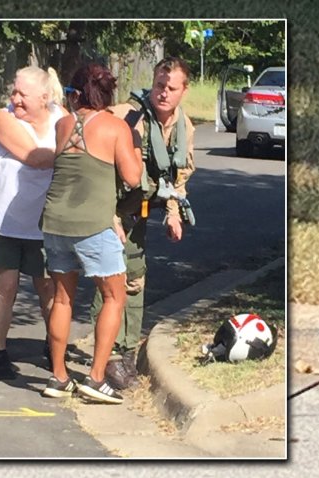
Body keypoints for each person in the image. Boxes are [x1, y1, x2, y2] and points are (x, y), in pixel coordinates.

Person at [89, 56, 196, 389]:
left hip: (139, 213)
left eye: (171, 88)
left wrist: (174, 213)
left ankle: (124, 354)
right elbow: (97, 166)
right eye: (159, 85)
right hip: (109, 211)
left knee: (134, 281)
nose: (163, 93)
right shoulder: (126, 116)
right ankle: (103, 360)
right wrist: (109, 217)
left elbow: (178, 175)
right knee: (109, 284)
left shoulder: (185, 127)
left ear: (184, 90)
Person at [40, 63, 142, 404]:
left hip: (54, 221)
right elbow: (132, 177)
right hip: (93, 224)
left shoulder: (62, 125)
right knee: (115, 295)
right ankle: (96, 378)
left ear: (76, 94)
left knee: (63, 297)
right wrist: (135, 146)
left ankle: (58, 376)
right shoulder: (115, 127)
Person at [0, 66, 66, 380]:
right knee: (5, 289)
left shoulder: (61, 119)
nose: (14, 98)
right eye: (13, 92)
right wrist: (72, 150)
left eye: (22, 94)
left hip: (43, 224)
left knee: (49, 289)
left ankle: (55, 348)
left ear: (44, 98)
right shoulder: (4, 119)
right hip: (1, 223)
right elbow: (35, 157)